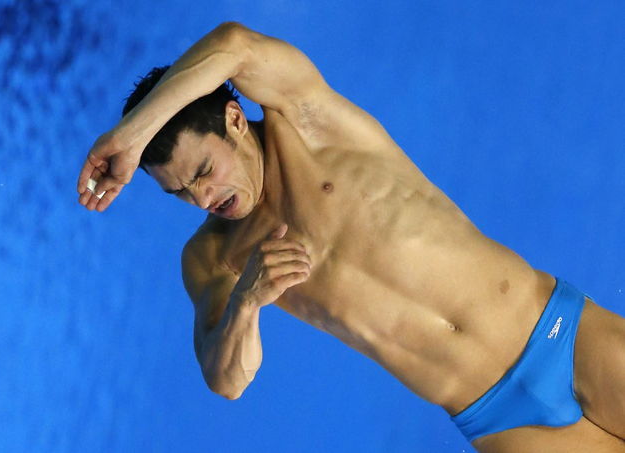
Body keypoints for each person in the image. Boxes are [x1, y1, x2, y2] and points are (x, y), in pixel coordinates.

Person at [77, 22, 625, 452]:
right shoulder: (214, 255)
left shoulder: (308, 122)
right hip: (498, 417)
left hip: (560, 335)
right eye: (179, 193)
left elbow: (235, 44)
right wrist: (246, 300)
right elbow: (227, 380)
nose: (201, 198)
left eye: (203, 172)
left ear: (235, 120)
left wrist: (129, 137)